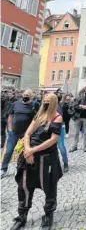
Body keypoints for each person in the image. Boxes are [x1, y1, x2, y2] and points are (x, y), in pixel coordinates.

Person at [10, 93, 63, 230]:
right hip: (29, 156)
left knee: (49, 186)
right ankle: (22, 216)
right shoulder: (38, 116)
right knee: (24, 186)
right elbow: (27, 133)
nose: (45, 103)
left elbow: (52, 140)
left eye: (48, 101)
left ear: (54, 103)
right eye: (44, 101)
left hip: (46, 159)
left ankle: (48, 215)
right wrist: (27, 150)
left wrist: (33, 151)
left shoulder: (57, 118)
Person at [1, 89, 40, 179]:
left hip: (26, 134)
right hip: (14, 132)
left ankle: (20, 168)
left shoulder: (35, 105)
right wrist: (10, 130)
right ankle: (3, 169)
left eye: (28, 95)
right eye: (24, 95)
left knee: (24, 151)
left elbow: (37, 119)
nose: (25, 96)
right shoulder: (15, 104)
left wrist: (32, 131)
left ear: (32, 96)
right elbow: (10, 116)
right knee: (8, 151)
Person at [69, 88, 86, 153]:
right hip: (78, 117)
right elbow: (75, 106)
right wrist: (84, 107)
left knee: (85, 133)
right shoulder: (80, 98)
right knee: (76, 133)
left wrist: (81, 106)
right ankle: (75, 146)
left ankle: (85, 147)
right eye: (85, 91)